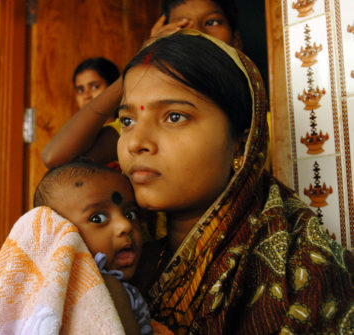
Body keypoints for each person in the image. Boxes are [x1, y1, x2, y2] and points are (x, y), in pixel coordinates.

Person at [116, 29, 354, 333]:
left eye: (174, 117)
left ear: (241, 143)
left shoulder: (302, 269)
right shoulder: (116, 246)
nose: (136, 142)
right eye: (127, 120)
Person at [42, 0, 242, 169]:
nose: (198, 33)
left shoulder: (267, 122)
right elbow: (55, 157)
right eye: (183, 26)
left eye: (212, 22)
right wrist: (144, 58)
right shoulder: (144, 121)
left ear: (236, 39)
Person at [33, 161, 153, 335]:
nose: (125, 225)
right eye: (98, 219)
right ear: (62, 236)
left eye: (130, 214)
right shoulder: (106, 288)